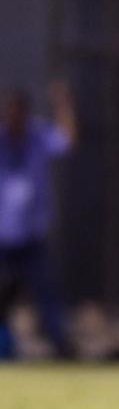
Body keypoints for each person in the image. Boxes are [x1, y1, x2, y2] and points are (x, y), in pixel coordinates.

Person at [0, 83, 77, 359]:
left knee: (48, 296)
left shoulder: (37, 136)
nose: (14, 119)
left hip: (32, 238)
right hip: (3, 239)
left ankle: (62, 348)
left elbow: (67, 140)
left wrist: (63, 105)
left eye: (19, 113)